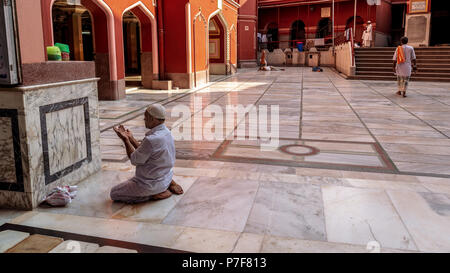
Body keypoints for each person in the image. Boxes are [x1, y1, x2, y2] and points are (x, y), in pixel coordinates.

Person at [110, 104, 183, 203]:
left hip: (150, 185)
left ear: (153, 119)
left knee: (114, 193)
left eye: (146, 117)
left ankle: (154, 195)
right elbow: (145, 151)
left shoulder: (151, 140)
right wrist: (131, 138)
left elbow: (134, 159)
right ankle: (167, 185)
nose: (144, 119)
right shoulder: (166, 132)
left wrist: (125, 140)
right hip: (166, 178)